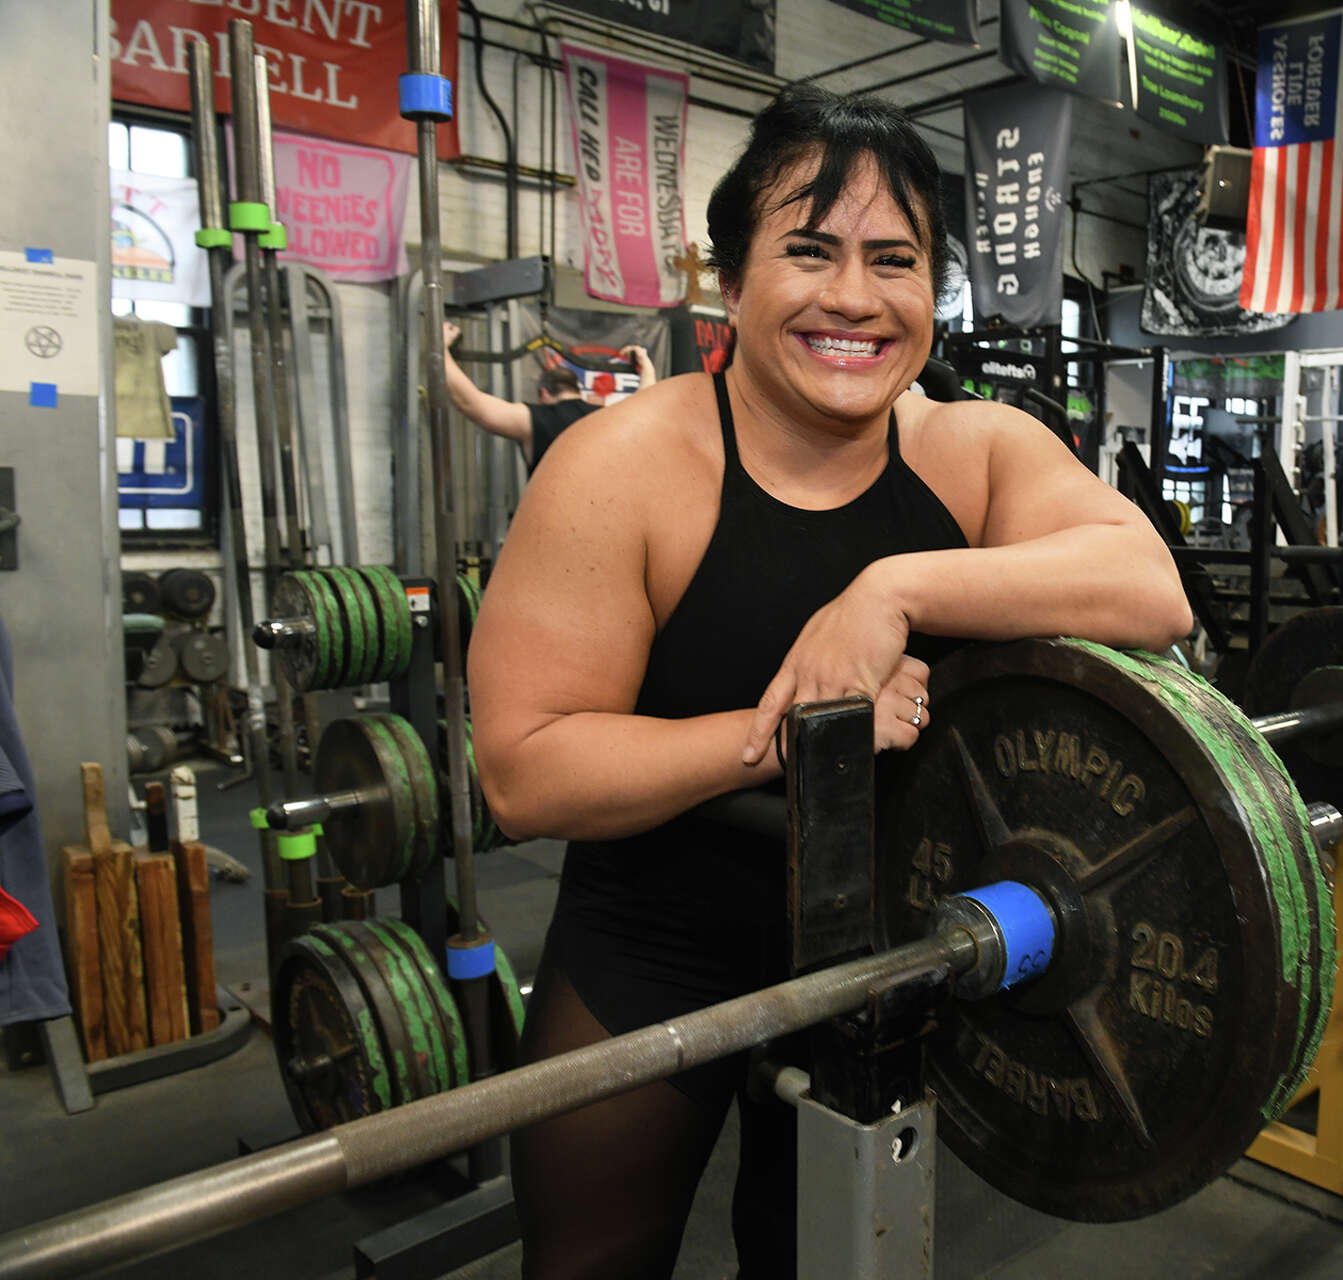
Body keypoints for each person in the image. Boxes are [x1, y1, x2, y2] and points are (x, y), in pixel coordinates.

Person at [467, 83, 1188, 1279]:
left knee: (818, 1261)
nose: (854, 297)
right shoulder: (627, 465)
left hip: (887, 957)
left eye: (894, 261)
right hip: (659, 939)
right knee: (590, 1260)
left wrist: (892, 589)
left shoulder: (975, 451)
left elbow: (1149, 586)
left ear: (933, 294)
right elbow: (526, 770)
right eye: (809, 251)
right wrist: (799, 737)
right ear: (730, 280)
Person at [441, 320, 658, 471]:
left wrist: (440, 349)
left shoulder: (535, 419)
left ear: (544, 393)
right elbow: (647, 403)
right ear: (579, 390)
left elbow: (471, 403)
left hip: (550, 534)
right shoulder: (606, 418)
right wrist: (645, 364)